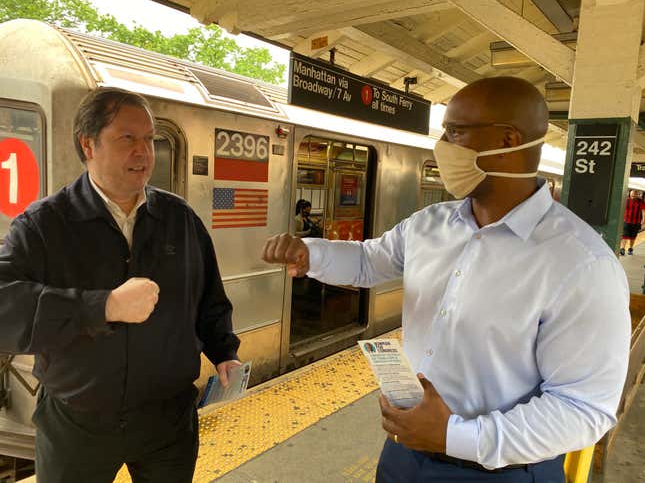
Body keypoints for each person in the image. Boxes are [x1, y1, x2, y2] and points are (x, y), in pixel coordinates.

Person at [262, 77, 630, 482]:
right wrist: (310, 253)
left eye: (455, 131)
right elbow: (370, 261)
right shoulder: (430, 225)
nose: (442, 144)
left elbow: (583, 408)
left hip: (499, 470)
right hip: (404, 453)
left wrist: (454, 437)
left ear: (507, 140)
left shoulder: (580, 265)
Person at [0, 87, 241, 482]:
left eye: (149, 138)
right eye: (127, 138)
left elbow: (209, 300)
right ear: (88, 144)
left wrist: (224, 352)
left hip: (168, 423)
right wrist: (102, 306)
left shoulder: (179, 219)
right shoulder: (44, 225)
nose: (143, 151)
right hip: (78, 423)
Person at [619, 190, 645, 255]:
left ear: (637, 195)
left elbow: (643, 211)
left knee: (633, 237)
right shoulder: (627, 201)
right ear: (630, 195)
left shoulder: (641, 202)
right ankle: (622, 249)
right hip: (627, 221)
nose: (632, 197)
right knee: (624, 235)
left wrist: (643, 220)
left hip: (636, 222)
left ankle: (630, 248)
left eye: (633, 195)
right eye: (631, 195)